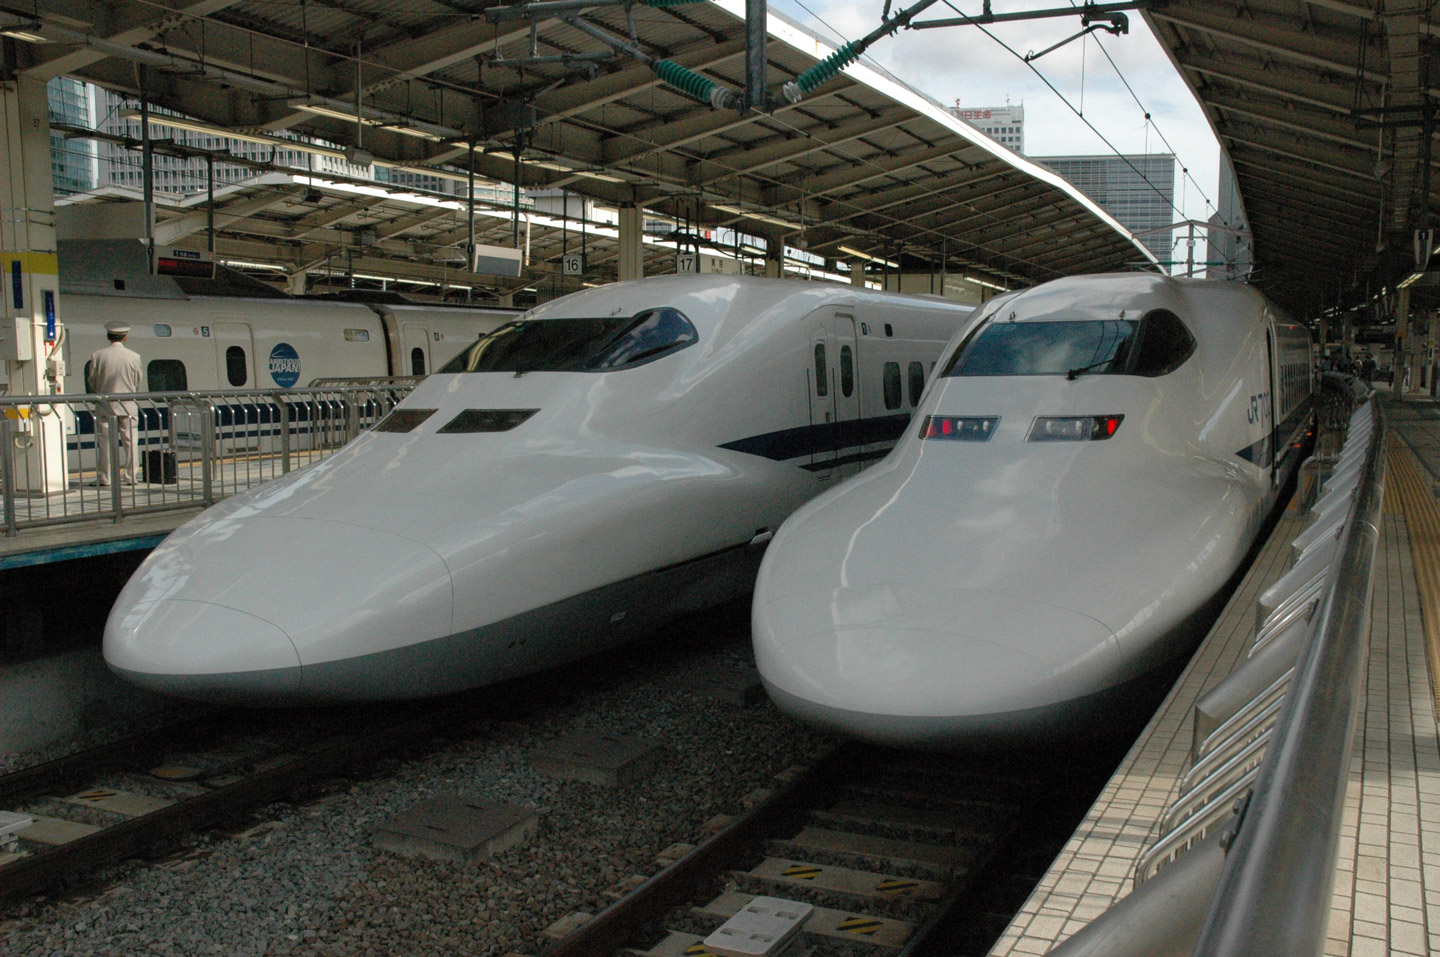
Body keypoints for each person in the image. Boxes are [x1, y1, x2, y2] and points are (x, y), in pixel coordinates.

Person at [88, 321, 143, 485]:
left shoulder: (97, 355)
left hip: (105, 405)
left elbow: (92, 379)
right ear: (125, 337)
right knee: (130, 441)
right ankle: (131, 476)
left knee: (105, 442)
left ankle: (105, 477)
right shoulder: (134, 357)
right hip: (128, 405)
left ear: (108, 336)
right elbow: (137, 381)